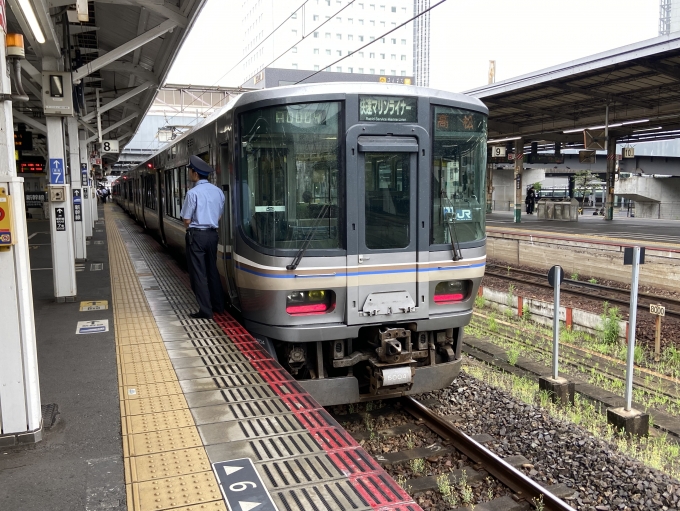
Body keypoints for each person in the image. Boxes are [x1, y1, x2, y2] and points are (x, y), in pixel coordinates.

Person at [180, 155, 225, 319]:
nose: (190, 174)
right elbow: (219, 216)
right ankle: (219, 306)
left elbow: (186, 219)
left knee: (198, 273)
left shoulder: (192, 193)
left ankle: (206, 310)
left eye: (190, 171)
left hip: (197, 236)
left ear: (195, 173)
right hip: (213, 235)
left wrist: (193, 228)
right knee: (212, 270)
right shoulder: (218, 191)